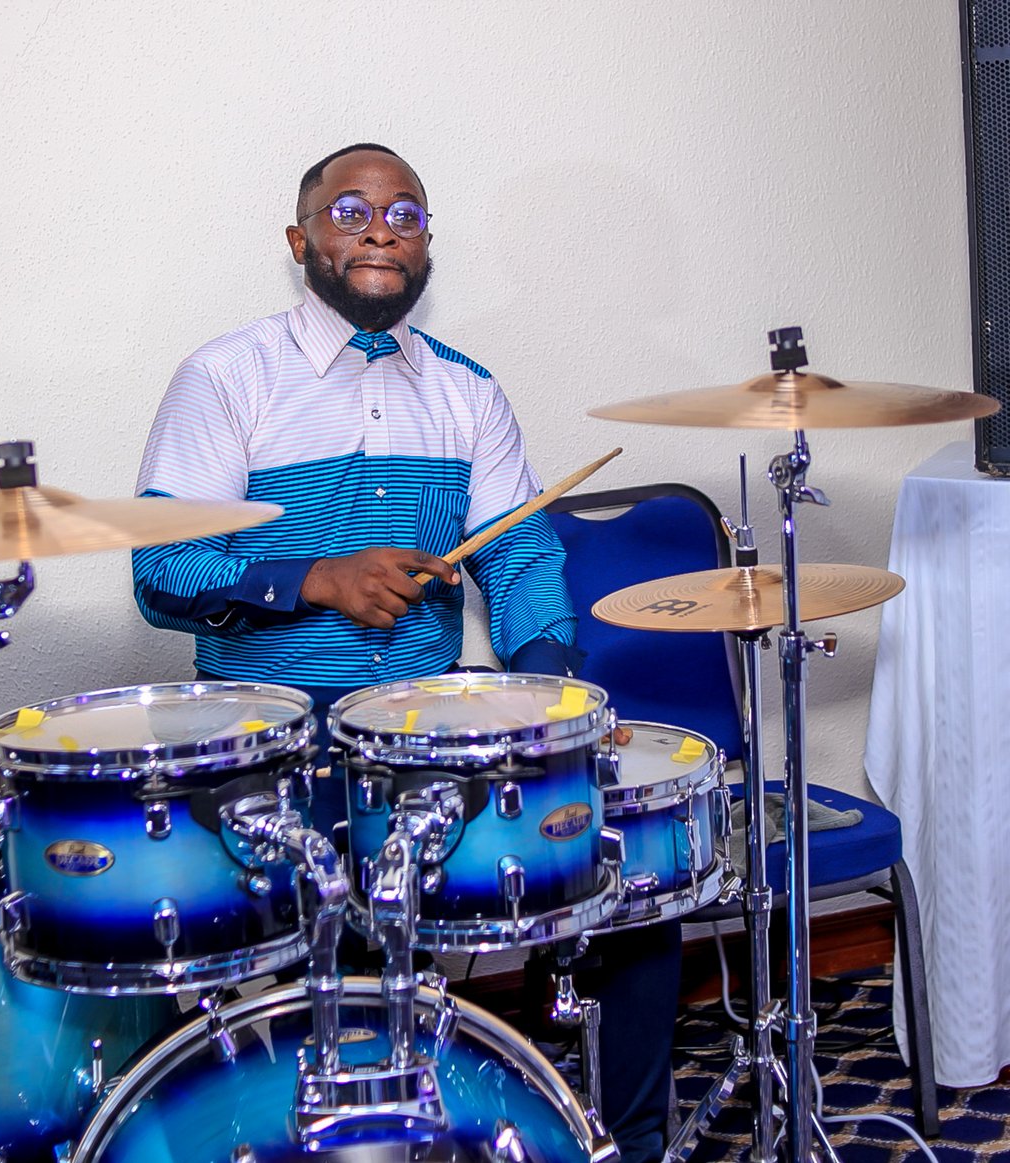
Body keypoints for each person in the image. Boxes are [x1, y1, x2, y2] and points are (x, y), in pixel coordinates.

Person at [130, 142, 680, 1162]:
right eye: (349, 210)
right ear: (300, 240)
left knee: (620, 874)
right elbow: (164, 570)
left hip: (425, 730)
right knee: (337, 930)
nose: (380, 228)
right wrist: (316, 578)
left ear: (428, 244)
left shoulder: (467, 389)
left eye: (405, 214)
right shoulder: (227, 377)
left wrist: (551, 694)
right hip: (276, 739)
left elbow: (518, 555)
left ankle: (627, 1141)